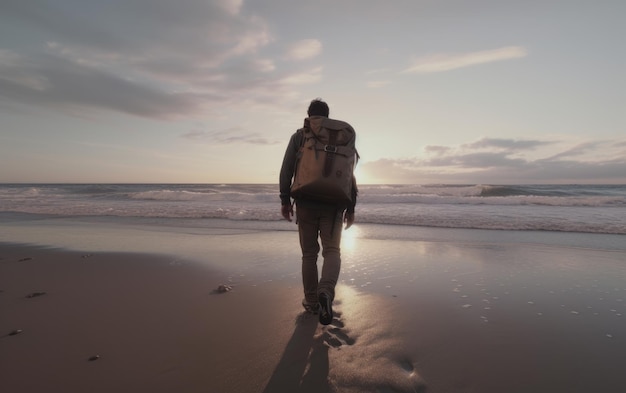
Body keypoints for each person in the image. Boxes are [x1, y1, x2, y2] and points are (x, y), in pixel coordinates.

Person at [279, 98, 357, 325]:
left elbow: (286, 170)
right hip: (334, 204)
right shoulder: (343, 135)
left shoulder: (300, 135)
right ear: (328, 115)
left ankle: (312, 302)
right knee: (332, 251)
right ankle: (326, 292)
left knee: (309, 255)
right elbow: (349, 173)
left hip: (305, 202)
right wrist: (351, 207)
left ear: (309, 115)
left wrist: (285, 200)